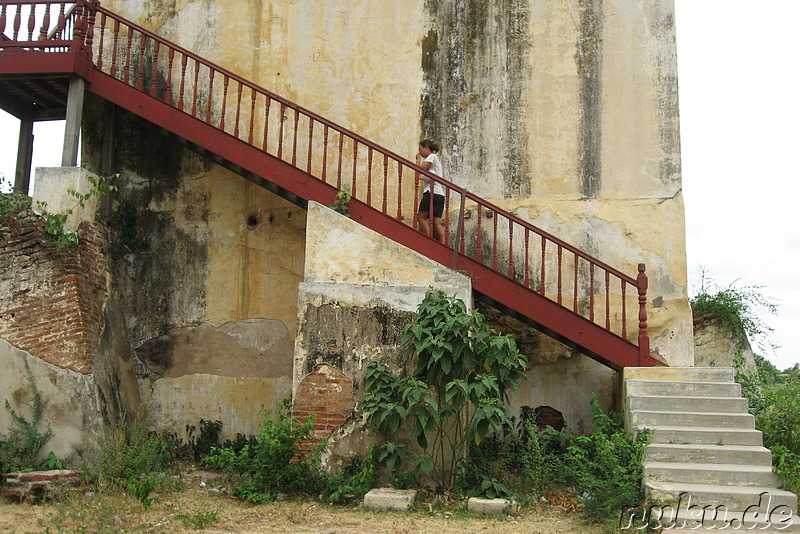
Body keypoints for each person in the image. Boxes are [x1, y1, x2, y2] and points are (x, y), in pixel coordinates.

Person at [415, 139, 446, 243]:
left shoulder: (432, 157)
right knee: (436, 222)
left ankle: (429, 241)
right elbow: (420, 174)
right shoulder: (434, 162)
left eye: (420, 149)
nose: (420, 152)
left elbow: (419, 170)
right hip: (440, 194)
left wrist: (418, 160)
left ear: (427, 147)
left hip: (431, 193)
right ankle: (443, 244)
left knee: (421, 217)